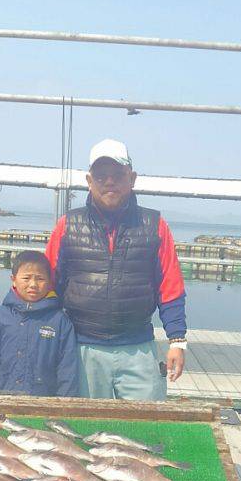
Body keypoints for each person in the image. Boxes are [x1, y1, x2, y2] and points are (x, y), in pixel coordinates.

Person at [46, 139, 187, 400]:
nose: (109, 182)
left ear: (132, 178)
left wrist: (177, 341)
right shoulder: (66, 226)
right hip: (81, 346)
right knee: (84, 430)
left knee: (147, 429)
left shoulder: (155, 225)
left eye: (118, 175)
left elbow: (171, 287)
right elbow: (47, 287)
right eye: (101, 176)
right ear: (89, 180)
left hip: (138, 347)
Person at [0, 250, 78, 397]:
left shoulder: (60, 321)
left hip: (45, 402)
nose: (33, 284)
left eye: (40, 279)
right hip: (2, 399)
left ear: (49, 282)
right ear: (13, 279)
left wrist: (63, 404)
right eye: (26, 278)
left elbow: (67, 370)